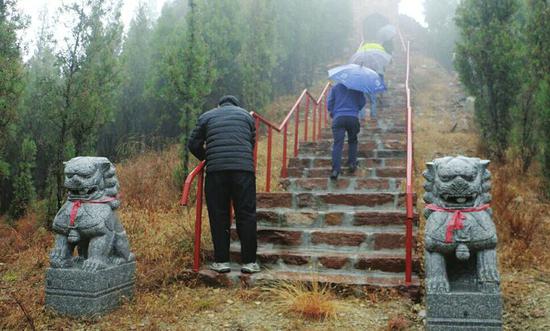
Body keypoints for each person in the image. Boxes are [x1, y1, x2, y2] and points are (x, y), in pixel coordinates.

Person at [188, 95, 259, 274]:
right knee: (246, 214)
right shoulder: (246, 116)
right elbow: (251, 142)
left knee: (218, 215)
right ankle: (249, 262)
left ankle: (222, 262)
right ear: (237, 105)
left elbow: (193, 143)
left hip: (216, 172)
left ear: (218, 105)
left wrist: (207, 156)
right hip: (243, 170)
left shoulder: (207, 116)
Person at [327, 83, 366, 180]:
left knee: (338, 144)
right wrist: (355, 109)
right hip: (353, 117)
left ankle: (336, 170)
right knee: (353, 141)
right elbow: (362, 102)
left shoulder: (335, 88)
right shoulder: (357, 87)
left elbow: (329, 104)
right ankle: (352, 164)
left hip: (339, 118)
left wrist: (334, 111)